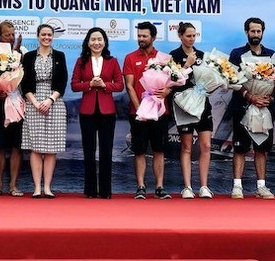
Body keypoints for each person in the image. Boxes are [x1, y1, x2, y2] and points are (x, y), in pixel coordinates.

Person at [227, 17, 275, 199]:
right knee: (240, 148)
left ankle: (261, 187)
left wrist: (268, 97)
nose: (255, 34)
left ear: (263, 32)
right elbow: (231, 79)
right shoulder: (237, 53)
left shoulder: (272, 55)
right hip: (242, 107)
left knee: (261, 148)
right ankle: (237, 187)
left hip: (264, 108)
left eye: (258, 31)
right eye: (252, 31)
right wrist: (250, 96)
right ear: (246, 32)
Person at [71, 27, 124, 199]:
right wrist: (89, 84)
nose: (96, 42)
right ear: (87, 42)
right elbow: (74, 85)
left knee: (106, 150)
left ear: (105, 42)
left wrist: (104, 85)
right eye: (93, 39)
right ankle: (90, 190)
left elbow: (119, 85)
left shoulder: (113, 61)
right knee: (88, 150)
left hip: (107, 111)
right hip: (87, 111)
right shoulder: (81, 61)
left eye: (100, 39)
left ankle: (106, 191)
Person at [122, 21, 172, 200]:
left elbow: (170, 83)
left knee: (159, 150)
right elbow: (129, 86)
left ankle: (159, 187)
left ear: (153, 37)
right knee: (140, 150)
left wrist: (167, 90)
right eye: (139, 36)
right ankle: (141, 187)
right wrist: (139, 109)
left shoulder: (164, 58)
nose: (141, 39)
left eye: (144, 36)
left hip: (160, 112)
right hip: (138, 113)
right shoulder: (129, 57)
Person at [20, 24, 68, 198]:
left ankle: (47, 187)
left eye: (49, 35)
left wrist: (50, 100)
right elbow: (23, 82)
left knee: (50, 147)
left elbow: (62, 81)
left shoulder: (60, 56)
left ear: (53, 36)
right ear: (38, 36)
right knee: (35, 147)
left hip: (54, 101)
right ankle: (37, 188)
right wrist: (34, 102)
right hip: (33, 100)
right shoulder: (29, 56)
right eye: (43, 34)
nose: (46, 37)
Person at [170, 22, 214, 199]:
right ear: (180, 36)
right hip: (184, 107)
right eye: (188, 35)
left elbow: (210, 80)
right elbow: (173, 81)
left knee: (206, 146)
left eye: (194, 35)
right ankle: (187, 187)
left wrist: (212, 85)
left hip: (202, 105)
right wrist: (187, 65)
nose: (192, 39)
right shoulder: (173, 56)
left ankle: (204, 186)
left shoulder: (203, 56)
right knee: (187, 147)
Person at [0, 21, 24, 197]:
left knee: (16, 146)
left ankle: (13, 185)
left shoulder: (23, 54)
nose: (11, 37)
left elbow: (26, 79)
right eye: (7, 34)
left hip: (16, 103)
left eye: (12, 34)